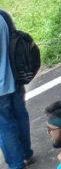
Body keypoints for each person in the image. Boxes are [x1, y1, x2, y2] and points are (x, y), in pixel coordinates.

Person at [0, 9, 33, 169]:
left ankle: (16, 164)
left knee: (4, 126)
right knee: (20, 117)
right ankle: (27, 154)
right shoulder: (3, 15)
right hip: (14, 80)